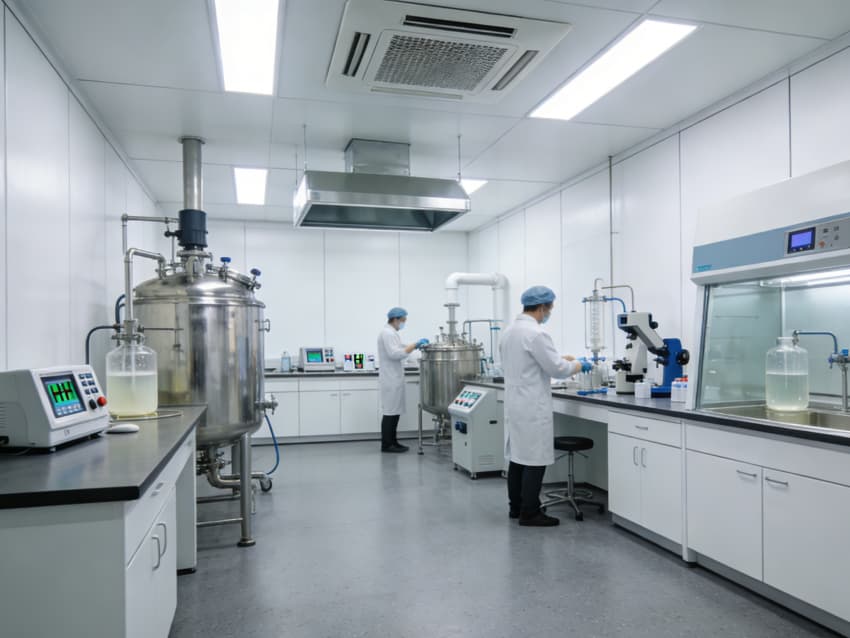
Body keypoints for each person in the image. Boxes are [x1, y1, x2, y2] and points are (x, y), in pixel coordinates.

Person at [500, 286, 591, 526]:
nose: (549, 313)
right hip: (532, 405)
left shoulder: (509, 332)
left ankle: (516, 508)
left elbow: (532, 362)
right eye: (549, 308)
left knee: (518, 458)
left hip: (515, 403)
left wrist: (562, 359)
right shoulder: (536, 333)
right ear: (542, 307)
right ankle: (530, 513)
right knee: (535, 459)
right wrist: (578, 365)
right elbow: (557, 369)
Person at [378, 307, 429, 453]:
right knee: (390, 412)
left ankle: (393, 442)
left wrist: (415, 344)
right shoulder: (387, 333)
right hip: (390, 379)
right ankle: (387, 444)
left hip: (394, 378)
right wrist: (414, 345)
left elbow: (400, 347)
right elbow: (395, 354)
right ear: (395, 319)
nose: (404, 323)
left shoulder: (392, 333)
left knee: (394, 412)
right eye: (403, 320)